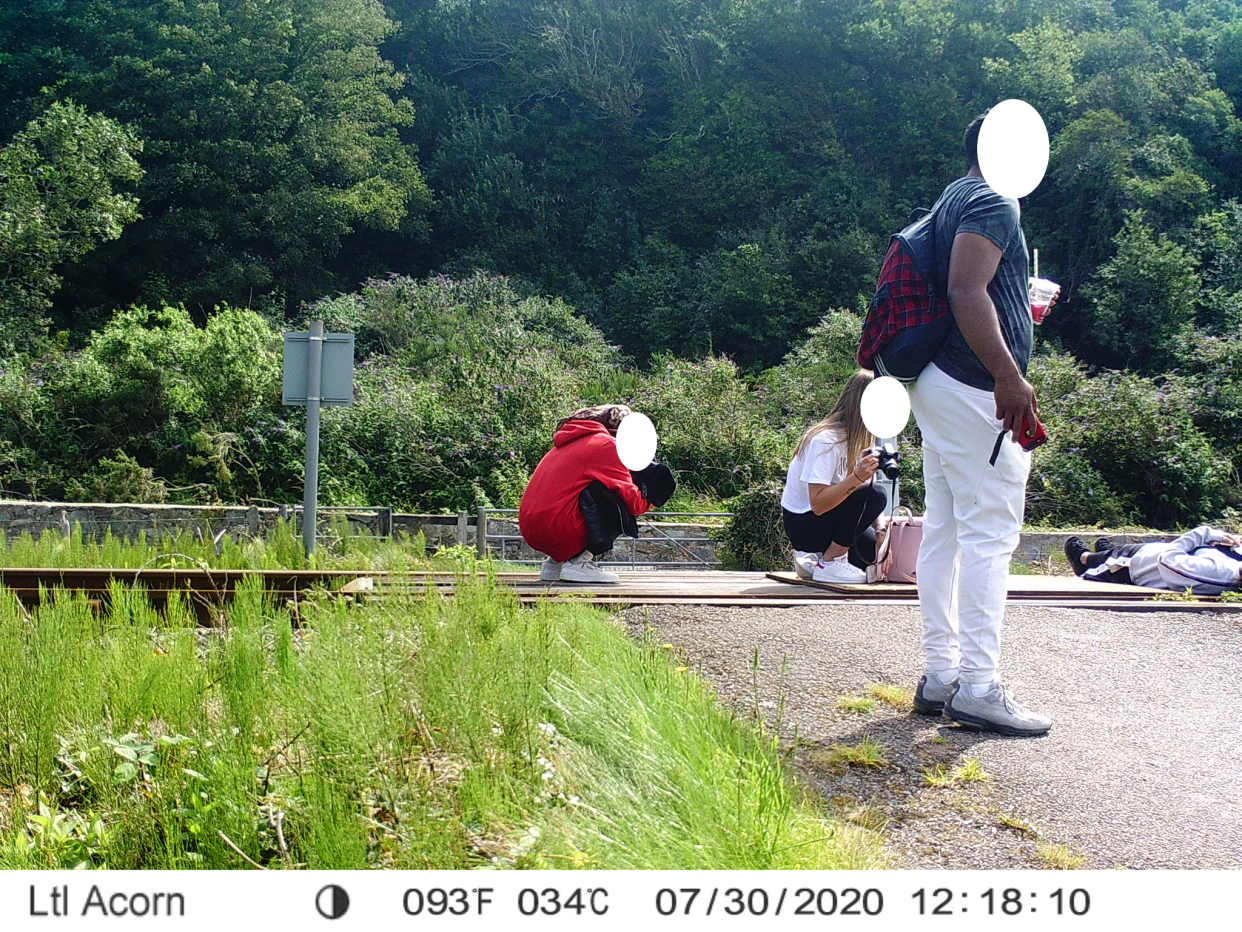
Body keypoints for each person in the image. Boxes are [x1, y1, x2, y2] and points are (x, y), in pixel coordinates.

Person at [907, 111, 1054, 737]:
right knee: (991, 534)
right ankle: (979, 687)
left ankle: (941, 676)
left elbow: (975, 290)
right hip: (972, 386)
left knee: (944, 530)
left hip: (936, 382)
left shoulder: (956, 194)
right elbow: (967, 290)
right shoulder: (996, 201)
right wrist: (1008, 375)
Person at [519, 404, 653, 584]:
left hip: (532, 531)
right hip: (558, 530)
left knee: (590, 489)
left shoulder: (568, 442)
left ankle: (555, 564)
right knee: (617, 502)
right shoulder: (607, 445)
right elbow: (634, 503)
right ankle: (579, 562)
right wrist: (652, 495)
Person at [781, 369, 888, 584]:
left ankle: (814, 562)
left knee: (874, 557)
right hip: (804, 523)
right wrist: (857, 477)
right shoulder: (826, 440)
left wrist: (881, 533)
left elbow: (867, 497)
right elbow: (818, 503)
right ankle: (829, 562)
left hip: (829, 518)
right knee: (878, 494)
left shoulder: (861, 440)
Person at [1065, 528, 1242, 595]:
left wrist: (1205, 534)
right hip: (1152, 550)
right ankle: (1106, 551)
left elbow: (1168, 561)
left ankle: (1084, 559)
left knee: (1106, 560)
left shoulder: (1223, 574)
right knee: (1115, 551)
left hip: (1137, 565)